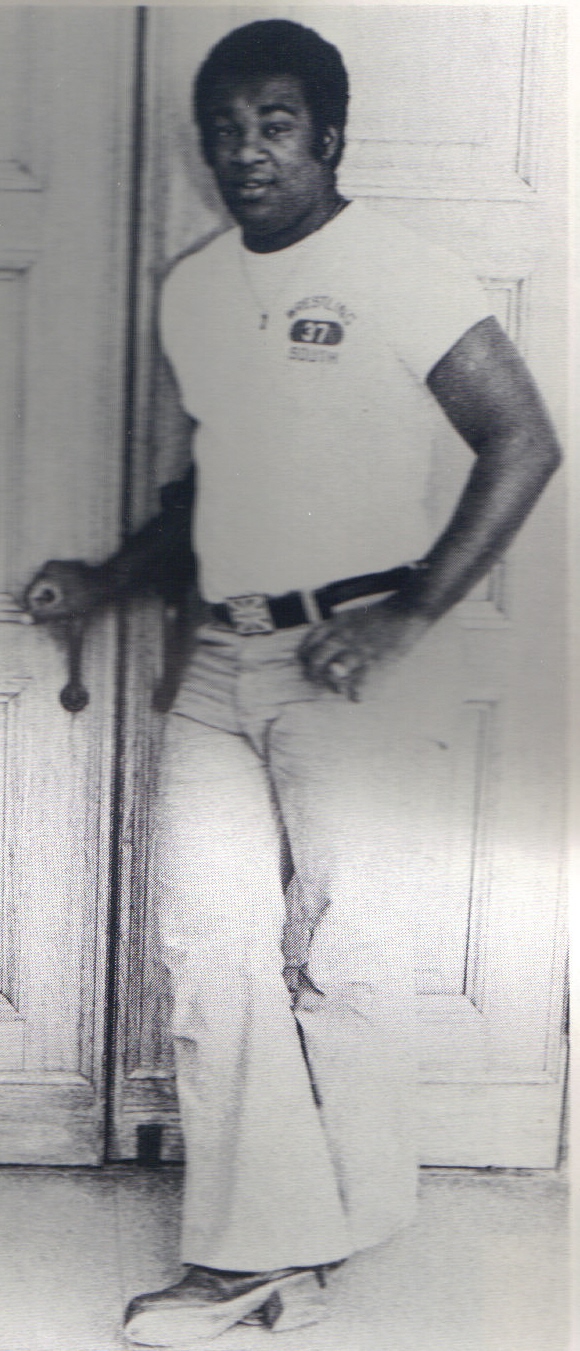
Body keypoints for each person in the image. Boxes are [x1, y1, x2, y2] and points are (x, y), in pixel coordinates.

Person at [26, 18, 561, 1347]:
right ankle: (254, 1255)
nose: (245, 151)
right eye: (224, 129)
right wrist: (106, 577)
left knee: (344, 956)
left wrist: (410, 614)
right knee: (208, 949)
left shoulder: (399, 269)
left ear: (329, 136)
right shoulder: (198, 289)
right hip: (216, 660)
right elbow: (214, 486)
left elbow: (523, 440)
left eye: (273, 124)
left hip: (345, 662)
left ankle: (328, 1236)